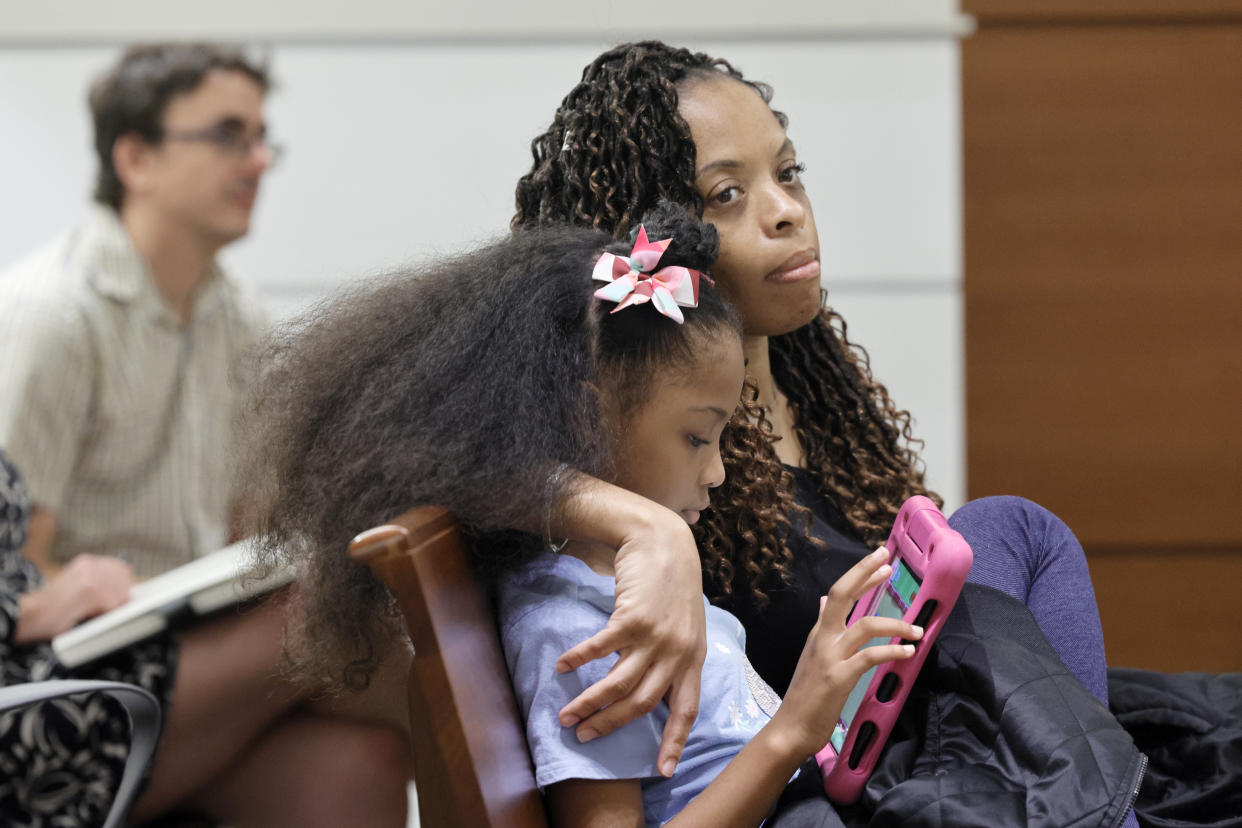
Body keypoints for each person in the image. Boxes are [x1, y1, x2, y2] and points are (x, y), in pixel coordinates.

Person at [237, 205, 1144, 826]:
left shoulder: (616, 585)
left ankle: (1091, 793)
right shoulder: (578, 628)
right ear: (585, 414)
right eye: (698, 437)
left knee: (1011, 536)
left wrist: (818, 700)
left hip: (824, 789)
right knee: (1023, 560)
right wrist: (797, 724)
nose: (716, 473)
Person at [509, 41, 1116, 759]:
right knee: (1011, 529)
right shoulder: (640, 445)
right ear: (654, 239)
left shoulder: (817, 395)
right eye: (727, 195)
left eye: (788, 173)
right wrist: (648, 526)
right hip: (841, 780)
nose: (788, 211)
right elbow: (452, 464)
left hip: (925, 739)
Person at [0, 44, 410, 827]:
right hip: (58, 684)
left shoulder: (239, 316)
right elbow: (18, 574)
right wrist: (67, 585)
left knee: (359, 759)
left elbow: (249, 532)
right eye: (228, 135)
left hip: (190, 657)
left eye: (262, 138)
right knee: (342, 613)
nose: (258, 161)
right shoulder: (52, 317)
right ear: (135, 157)